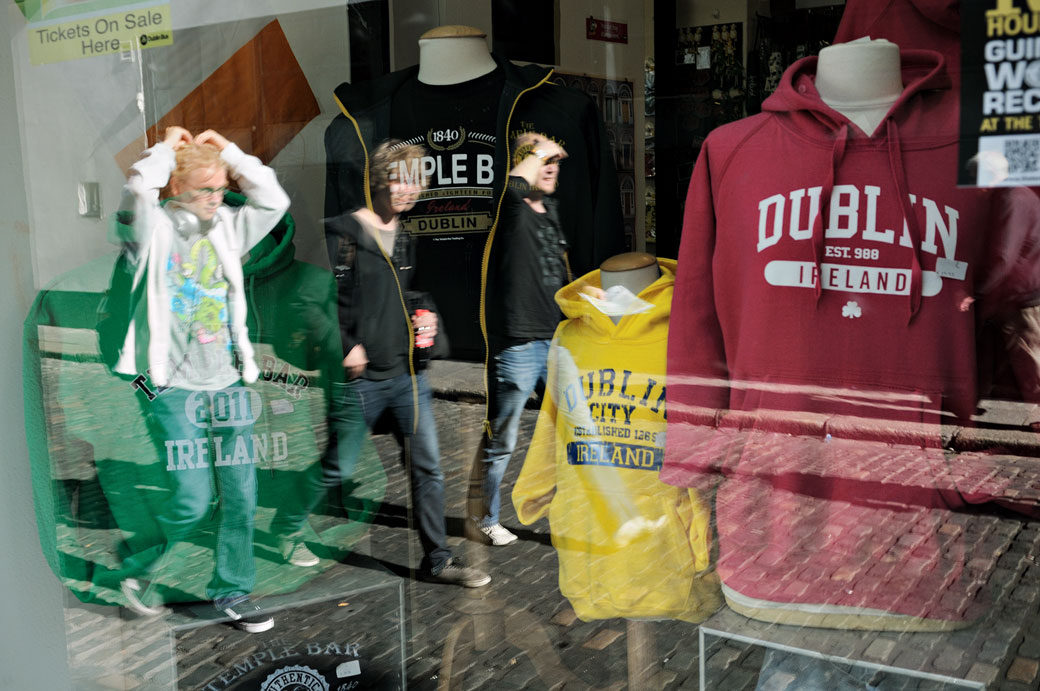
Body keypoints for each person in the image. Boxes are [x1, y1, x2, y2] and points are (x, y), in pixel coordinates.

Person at [115, 126, 290, 633]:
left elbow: (272, 198)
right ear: (175, 191)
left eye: (221, 188)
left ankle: (232, 589)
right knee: (192, 496)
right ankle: (140, 567)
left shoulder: (229, 227)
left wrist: (232, 154)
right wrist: (166, 149)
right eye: (205, 190)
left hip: (228, 383)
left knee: (241, 493)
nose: (218, 198)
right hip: (170, 385)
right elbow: (137, 188)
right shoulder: (155, 229)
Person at [326, 139, 490, 588]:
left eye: (419, 183)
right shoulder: (345, 232)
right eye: (404, 180)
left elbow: (405, 293)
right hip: (361, 379)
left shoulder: (407, 239)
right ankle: (290, 529)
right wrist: (347, 344)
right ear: (381, 179)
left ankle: (438, 559)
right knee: (338, 467)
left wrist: (426, 315)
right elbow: (330, 298)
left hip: (408, 375)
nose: (412, 191)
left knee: (427, 468)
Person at [476, 133, 570, 545]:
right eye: (543, 161)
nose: (551, 168)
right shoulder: (510, 207)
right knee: (504, 438)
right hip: (517, 344)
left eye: (556, 162)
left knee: (575, 432)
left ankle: (574, 514)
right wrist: (539, 149)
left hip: (557, 340)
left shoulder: (550, 209)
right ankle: (486, 519)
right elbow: (516, 181)